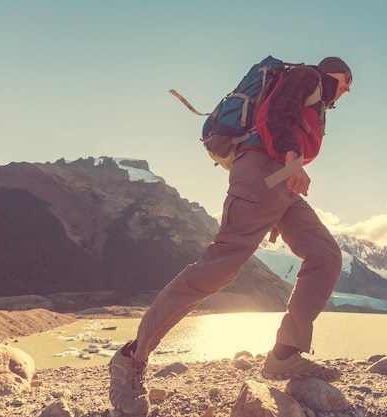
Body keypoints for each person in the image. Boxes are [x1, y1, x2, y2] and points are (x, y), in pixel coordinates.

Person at [109, 56, 353, 416]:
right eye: (347, 81)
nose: (348, 90)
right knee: (219, 268)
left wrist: (287, 171)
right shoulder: (305, 76)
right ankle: (132, 356)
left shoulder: (317, 98)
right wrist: (291, 157)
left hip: (279, 181)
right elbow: (277, 114)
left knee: (325, 255)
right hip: (266, 171)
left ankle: (285, 354)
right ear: (335, 73)